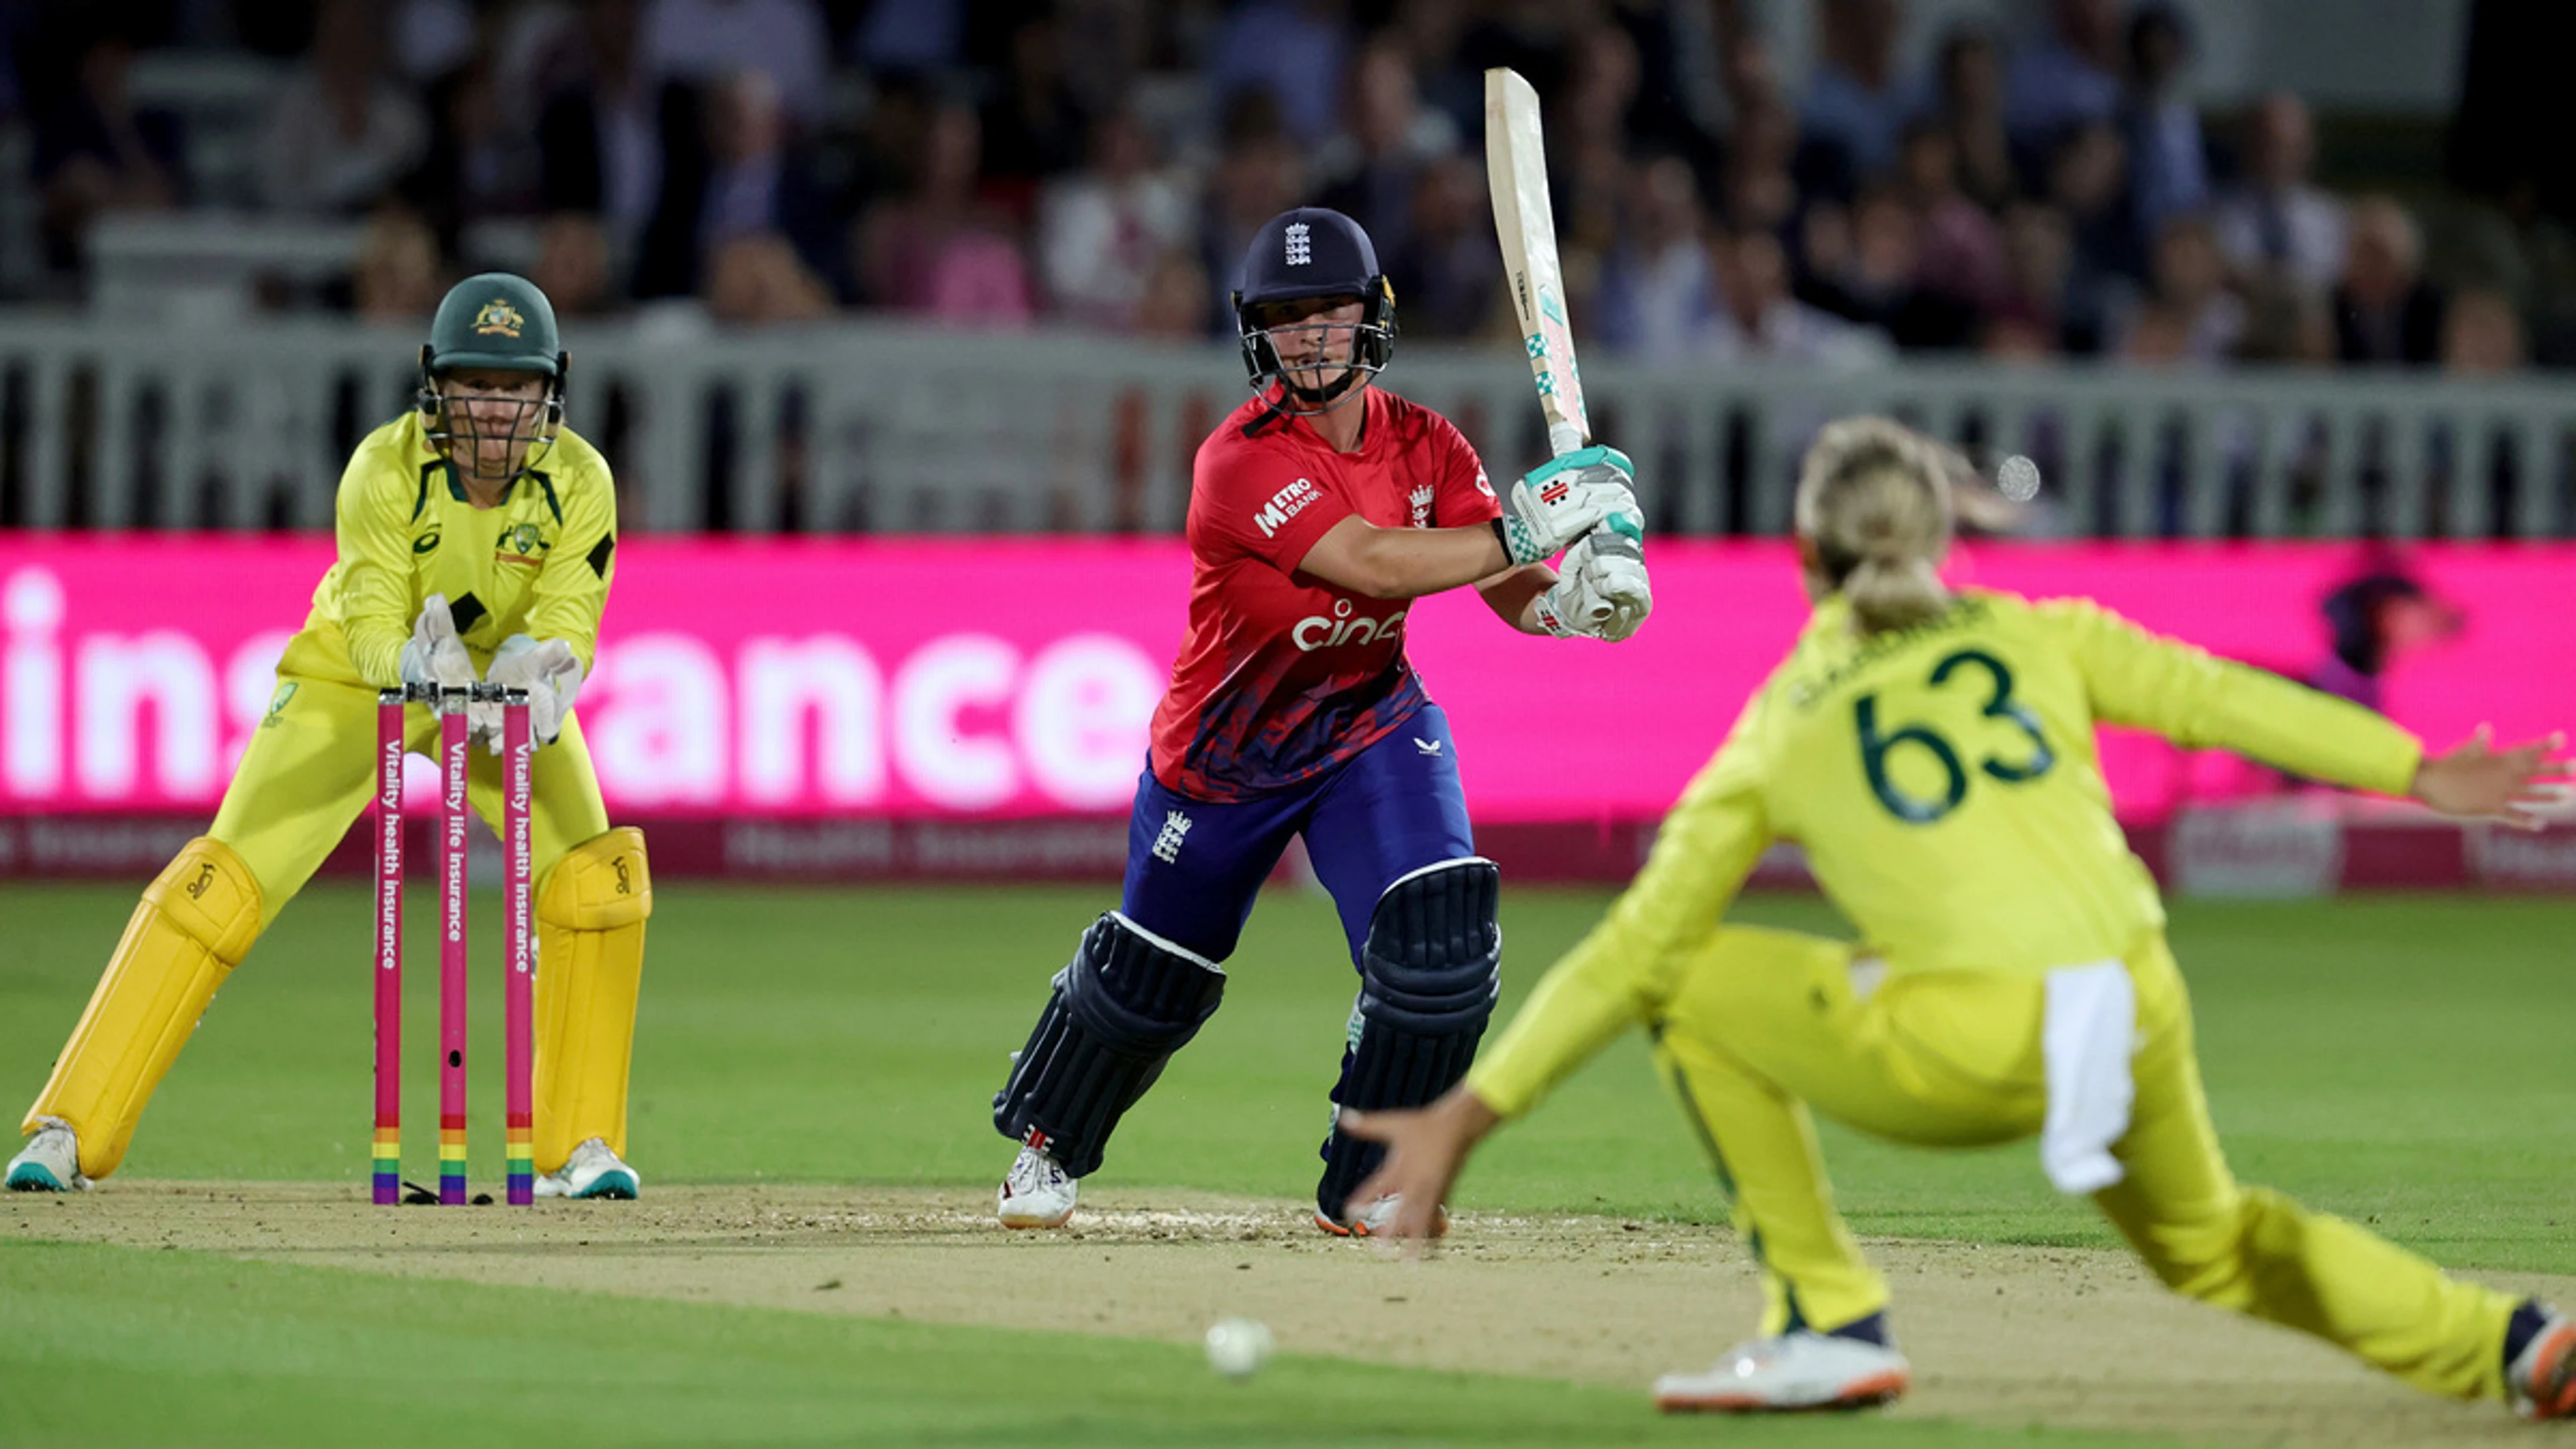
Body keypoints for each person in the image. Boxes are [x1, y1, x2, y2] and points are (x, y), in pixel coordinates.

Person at [1340, 417, 2575, 1420]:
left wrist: (1473, 1110)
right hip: (2135, 1000)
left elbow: (1632, 951)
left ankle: (1828, 1319)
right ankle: (2510, 1343)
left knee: (1698, 986)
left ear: (1805, 553)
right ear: (1943, 531)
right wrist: (2418, 772)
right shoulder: (2044, 633)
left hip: (1984, 1036)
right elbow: (2222, 702)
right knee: (2216, 1241)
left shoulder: (1781, 727)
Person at [987, 206, 1652, 1235]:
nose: (1308, 337)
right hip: (1223, 756)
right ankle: (1049, 1146)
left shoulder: (1427, 444)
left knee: (1440, 943)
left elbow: (1509, 584)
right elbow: (1378, 562)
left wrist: (1573, 601)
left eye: (1328, 314)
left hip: (1366, 725)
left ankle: (1371, 1176)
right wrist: (1530, 522)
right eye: (1285, 317)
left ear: (1372, 318)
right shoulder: (1239, 461)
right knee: (1152, 988)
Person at [7, 274, 653, 1202]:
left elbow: (570, 617)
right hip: (356, 682)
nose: (495, 411)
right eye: (477, 385)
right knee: (220, 880)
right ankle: (69, 1127)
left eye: (516, 389)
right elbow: (371, 619)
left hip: (499, 690)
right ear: (436, 383)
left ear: (552, 389)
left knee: (598, 877)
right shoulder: (382, 470)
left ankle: (580, 1147)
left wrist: (543, 676)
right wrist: (414, 665)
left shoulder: (582, 480)